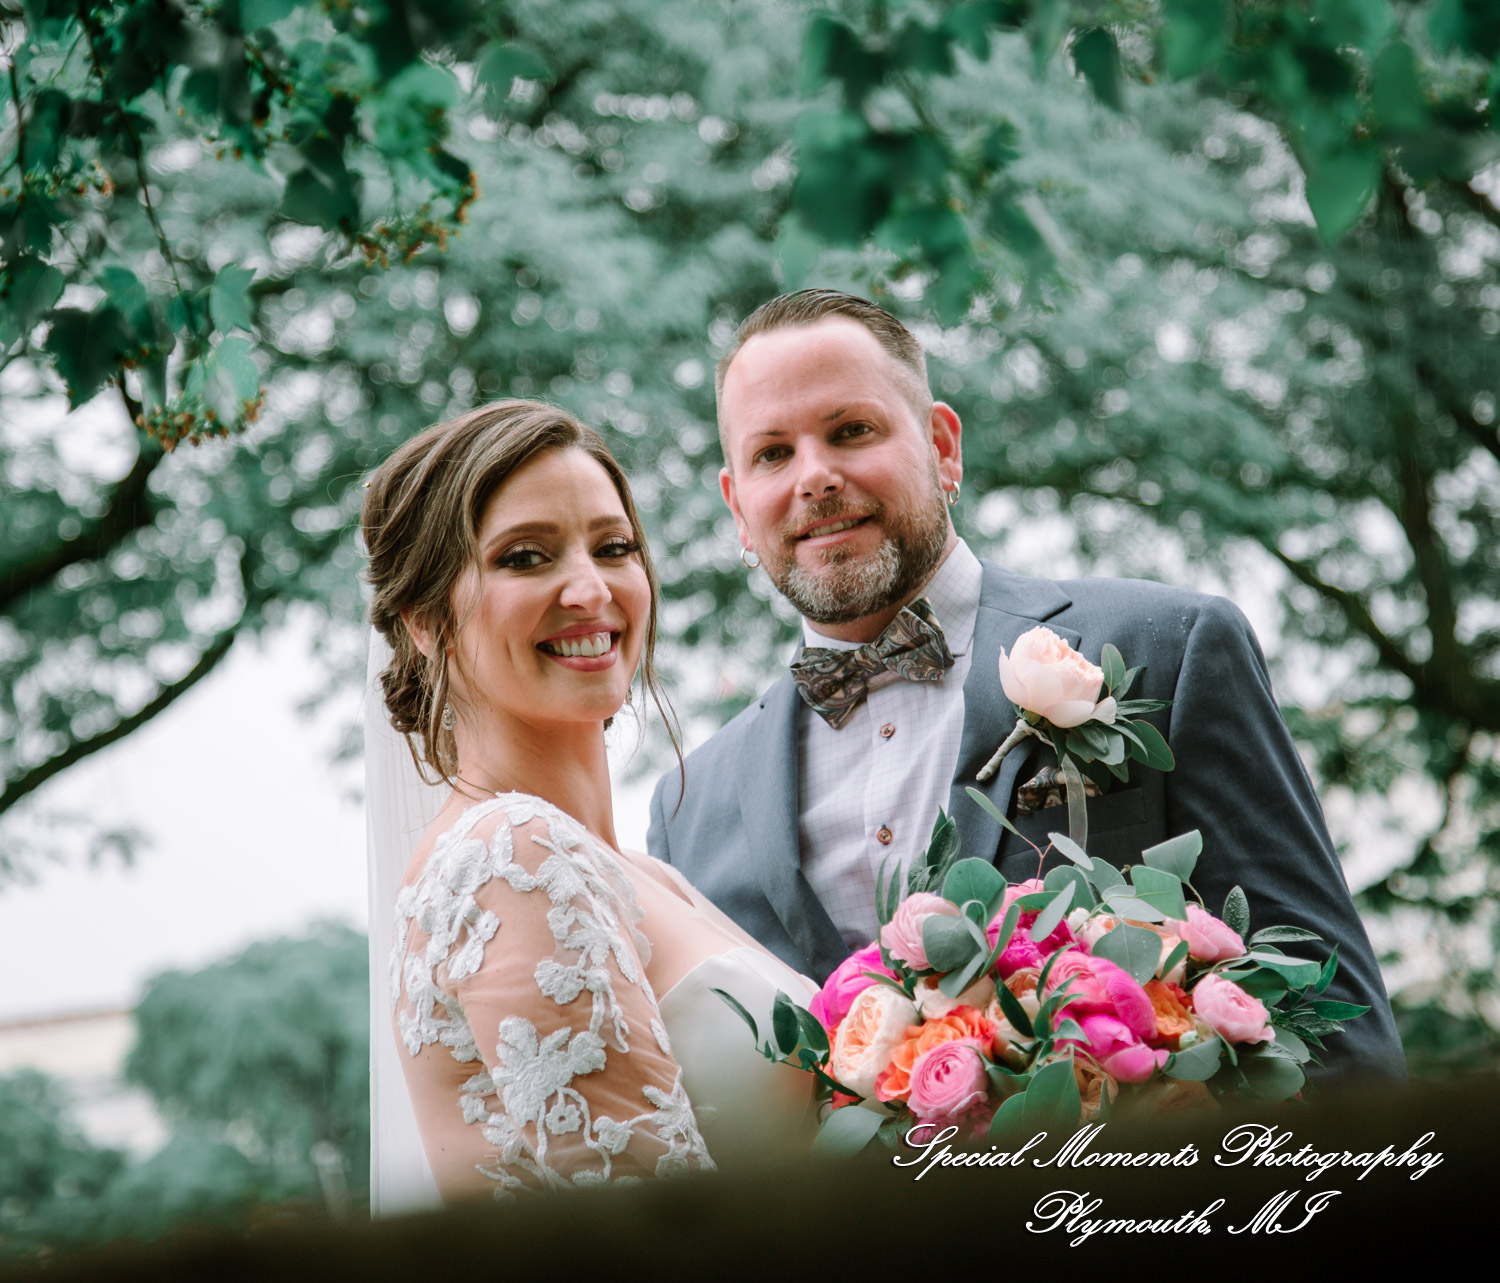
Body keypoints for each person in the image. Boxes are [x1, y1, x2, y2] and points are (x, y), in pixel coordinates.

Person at [646, 289, 1404, 1082]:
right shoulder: (685, 811)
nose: (816, 475)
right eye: (772, 453)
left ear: (943, 447)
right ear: (737, 507)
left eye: (851, 430)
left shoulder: (1167, 652)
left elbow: (1337, 1027)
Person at [362, 401, 816, 1208]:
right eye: (526, 556)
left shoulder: (637, 870)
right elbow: (661, 1239)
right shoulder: (514, 855)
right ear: (426, 620)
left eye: (614, 548)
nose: (590, 587)